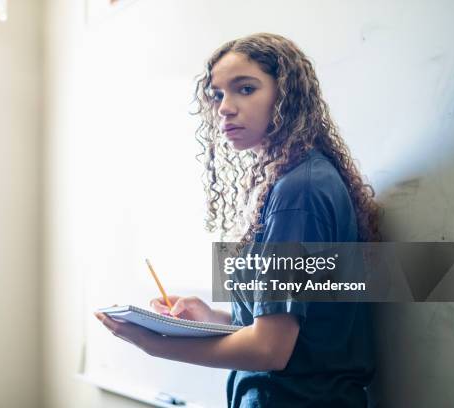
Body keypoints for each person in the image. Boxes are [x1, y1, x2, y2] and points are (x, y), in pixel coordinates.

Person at [95, 33, 381, 407]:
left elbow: (270, 350)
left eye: (245, 89)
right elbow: (282, 321)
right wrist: (208, 315)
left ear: (287, 96)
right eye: (217, 95)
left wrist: (157, 345)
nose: (225, 107)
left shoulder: (299, 194)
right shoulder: (289, 181)